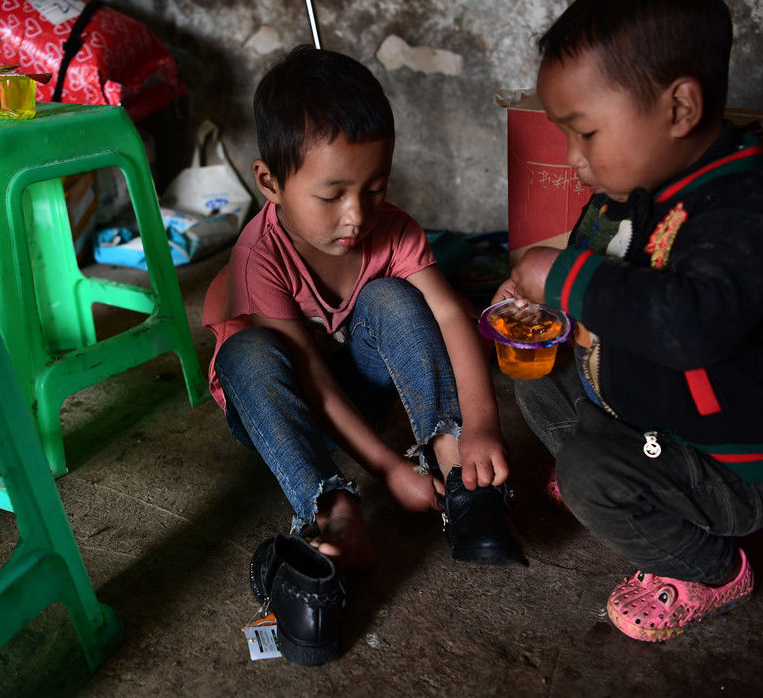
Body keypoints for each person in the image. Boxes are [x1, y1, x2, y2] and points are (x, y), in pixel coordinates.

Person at [495, 0, 763, 642]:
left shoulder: (740, 211)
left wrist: (561, 277)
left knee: (587, 473)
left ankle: (711, 569)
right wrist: (546, 303)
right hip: (649, 411)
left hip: (727, 462)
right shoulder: (642, 190)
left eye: (586, 132)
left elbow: (690, 326)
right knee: (536, 377)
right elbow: (608, 293)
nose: (573, 158)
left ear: (679, 108)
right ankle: (618, 479)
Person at [203, 45, 523, 576]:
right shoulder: (257, 257)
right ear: (269, 182)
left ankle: (456, 466)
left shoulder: (392, 229)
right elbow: (308, 377)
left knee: (392, 296)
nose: (357, 216)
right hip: (285, 413)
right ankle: (333, 510)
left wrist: (482, 425)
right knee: (246, 352)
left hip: (359, 394)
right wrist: (389, 469)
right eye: (332, 196)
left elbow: (449, 316)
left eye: (375, 189)